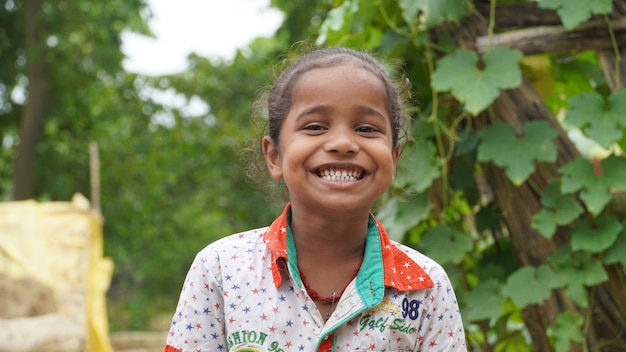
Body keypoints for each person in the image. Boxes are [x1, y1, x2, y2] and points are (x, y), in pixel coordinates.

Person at [164, 47, 466, 352]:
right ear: (275, 156)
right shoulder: (221, 270)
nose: (343, 143)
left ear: (393, 157)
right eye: (315, 127)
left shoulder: (426, 287)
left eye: (366, 129)